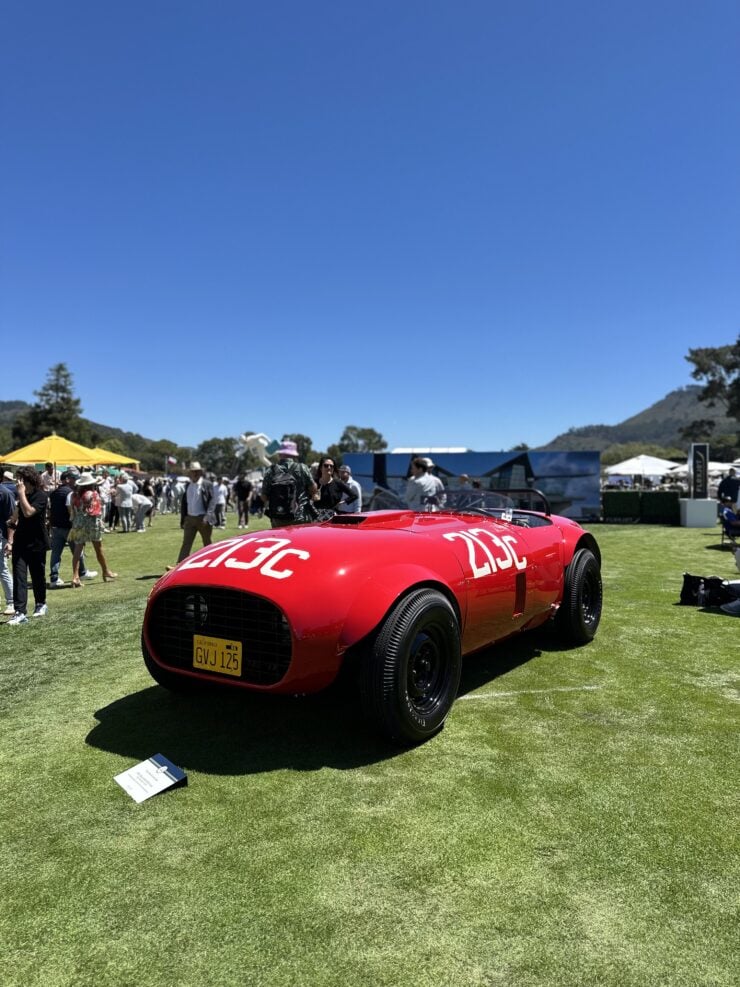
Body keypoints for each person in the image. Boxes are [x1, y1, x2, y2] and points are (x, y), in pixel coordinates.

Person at [4, 467, 51, 624]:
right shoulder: (21, 497)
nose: (18, 482)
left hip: (37, 543)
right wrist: (10, 542)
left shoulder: (41, 496)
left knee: (38, 576)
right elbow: (13, 520)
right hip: (20, 543)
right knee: (19, 577)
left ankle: (40, 604)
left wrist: (22, 494)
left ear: (28, 480)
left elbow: (29, 512)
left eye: (20, 479)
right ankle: (20, 612)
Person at [48, 470, 97, 586]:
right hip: (69, 527)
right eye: (74, 479)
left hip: (56, 526)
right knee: (77, 551)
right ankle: (82, 572)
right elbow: (72, 512)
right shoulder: (71, 493)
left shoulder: (53, 493)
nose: (76, 482)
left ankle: (54, 579)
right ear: (68, 479)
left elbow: (50, 511)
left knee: (55, 554)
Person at [69, 473, 118, 586]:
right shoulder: (93, 494)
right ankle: (106, 571)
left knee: (77, 551)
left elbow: (73, 511)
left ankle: (75, 577)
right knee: (98, 549)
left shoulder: (74, 495)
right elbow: (95, 512)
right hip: (91, 525)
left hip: (78, 524)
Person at [261, 441, 317, 528]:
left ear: (280, 454)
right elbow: (313, 489)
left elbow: (264, 497)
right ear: (294, 455)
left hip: (278, 518)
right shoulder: (302, 468)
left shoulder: (270, 471)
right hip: (301, 517)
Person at [174, 462, 216, 562]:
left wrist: (207, 516)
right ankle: (179, 565)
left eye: (197, 471)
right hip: (190, 518)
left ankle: (211, 563)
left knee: (207, 543)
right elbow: (185, 503)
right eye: (193, 472)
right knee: (186, 543)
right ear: (190, 473)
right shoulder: (188, 485)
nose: (195, 473)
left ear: (201, 472)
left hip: (203, 519)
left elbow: (212, 501)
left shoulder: (207, 484)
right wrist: (183, 519)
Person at [0, 476, 15, 614]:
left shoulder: (5, 493)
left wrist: (10, 541)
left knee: (1, 568)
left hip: (1, 536)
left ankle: (12, 602)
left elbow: (11, 519)